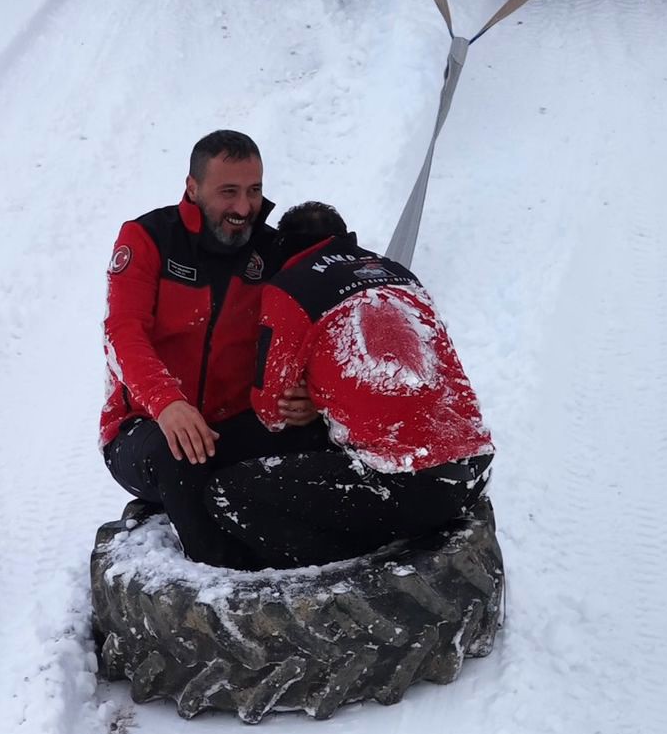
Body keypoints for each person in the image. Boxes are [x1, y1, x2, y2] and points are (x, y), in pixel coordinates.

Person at [207, 202, 494, 568]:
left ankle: (344, 576)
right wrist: (326, 395)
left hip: (405, 482)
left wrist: (309, 400)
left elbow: (272, 411)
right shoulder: (398, 273)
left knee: (229, 494)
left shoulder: (291, 287)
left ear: (283, 249)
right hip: (473, 467)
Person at [101, 130, 327, 567]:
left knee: (323, 435)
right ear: (192, 187)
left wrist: (310, 395)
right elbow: (122, 333)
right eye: (229, 192)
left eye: (254, 190)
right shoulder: (147, 238)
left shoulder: (269, 248)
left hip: (231, 427)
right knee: (181, 453)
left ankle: (319, 559)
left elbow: (308, 330)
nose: (244, 208)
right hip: (146, 428)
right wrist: (168, 405)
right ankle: (222, 584)